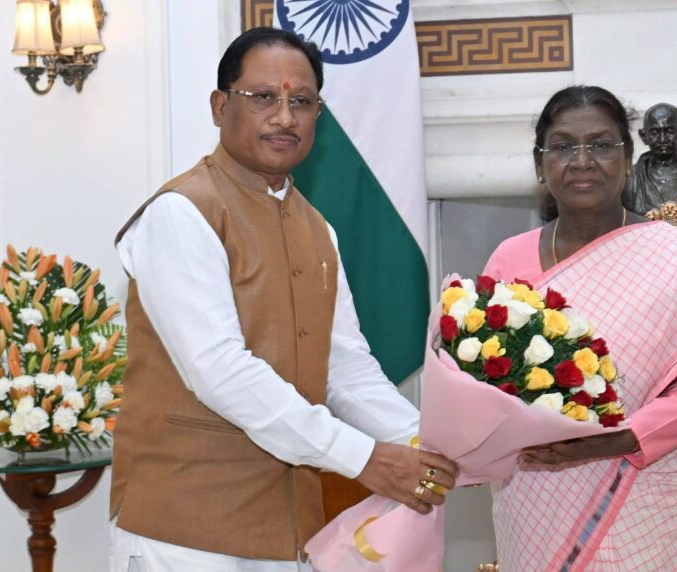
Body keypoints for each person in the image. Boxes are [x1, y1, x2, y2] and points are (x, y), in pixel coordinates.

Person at [109, 28, 456, 572]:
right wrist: (365, 458)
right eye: (263, 97)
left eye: (302, 102)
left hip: (290, 530)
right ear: (220, 106)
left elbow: (346, 369)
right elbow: (220, 371)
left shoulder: (318, 229)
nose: (284, 117)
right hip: (184, 530)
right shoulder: (181, 212)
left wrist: (425, 445)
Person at [483, 86, 677, 571]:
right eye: (562, 146)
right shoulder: (509, 257)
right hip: (536, 492)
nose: (582, 161)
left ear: (628, 158)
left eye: (601, 144)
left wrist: (622, 439)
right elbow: (482, 376)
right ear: (540, 164)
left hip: (650, 488)